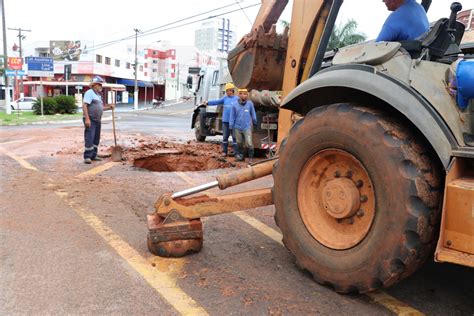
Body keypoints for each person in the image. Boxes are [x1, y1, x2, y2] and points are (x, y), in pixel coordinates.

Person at [82, 76, 115, 164]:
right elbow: (84, 105)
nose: (101, 86)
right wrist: (87, 119)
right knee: (90, 137)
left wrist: (109, 108)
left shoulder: (98, 95)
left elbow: (101, 108)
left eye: (101, 84)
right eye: (99, 84)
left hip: (97, 120)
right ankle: (87, 156)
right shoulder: (89, 93)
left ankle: (94, 155)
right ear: (94, 85)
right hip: (90, 119)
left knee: (96, 138)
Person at [205, 83, 239, 157]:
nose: (227, 92)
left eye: (229, 91)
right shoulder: (225, 98)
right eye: (226, 91)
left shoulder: (237, 99)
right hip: (225, 121)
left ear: (232, 90)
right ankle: (224, 152)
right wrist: (208, 103)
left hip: (234, 121)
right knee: (225, 137)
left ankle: (236, 152)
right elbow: (217, 101)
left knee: (235, 137)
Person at [229, 88, 257, 163]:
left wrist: (255, 122)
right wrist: (231, 126)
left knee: (249, 143)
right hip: (237, 127)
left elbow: (253, 114)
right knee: (239, 142)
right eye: (243, 94)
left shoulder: (250, 104)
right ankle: (241, 156)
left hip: (247, 127)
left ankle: (251, 158)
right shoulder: (234, 105)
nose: (245, 96)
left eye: (246, 94)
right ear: (239, 94)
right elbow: (232, 116)